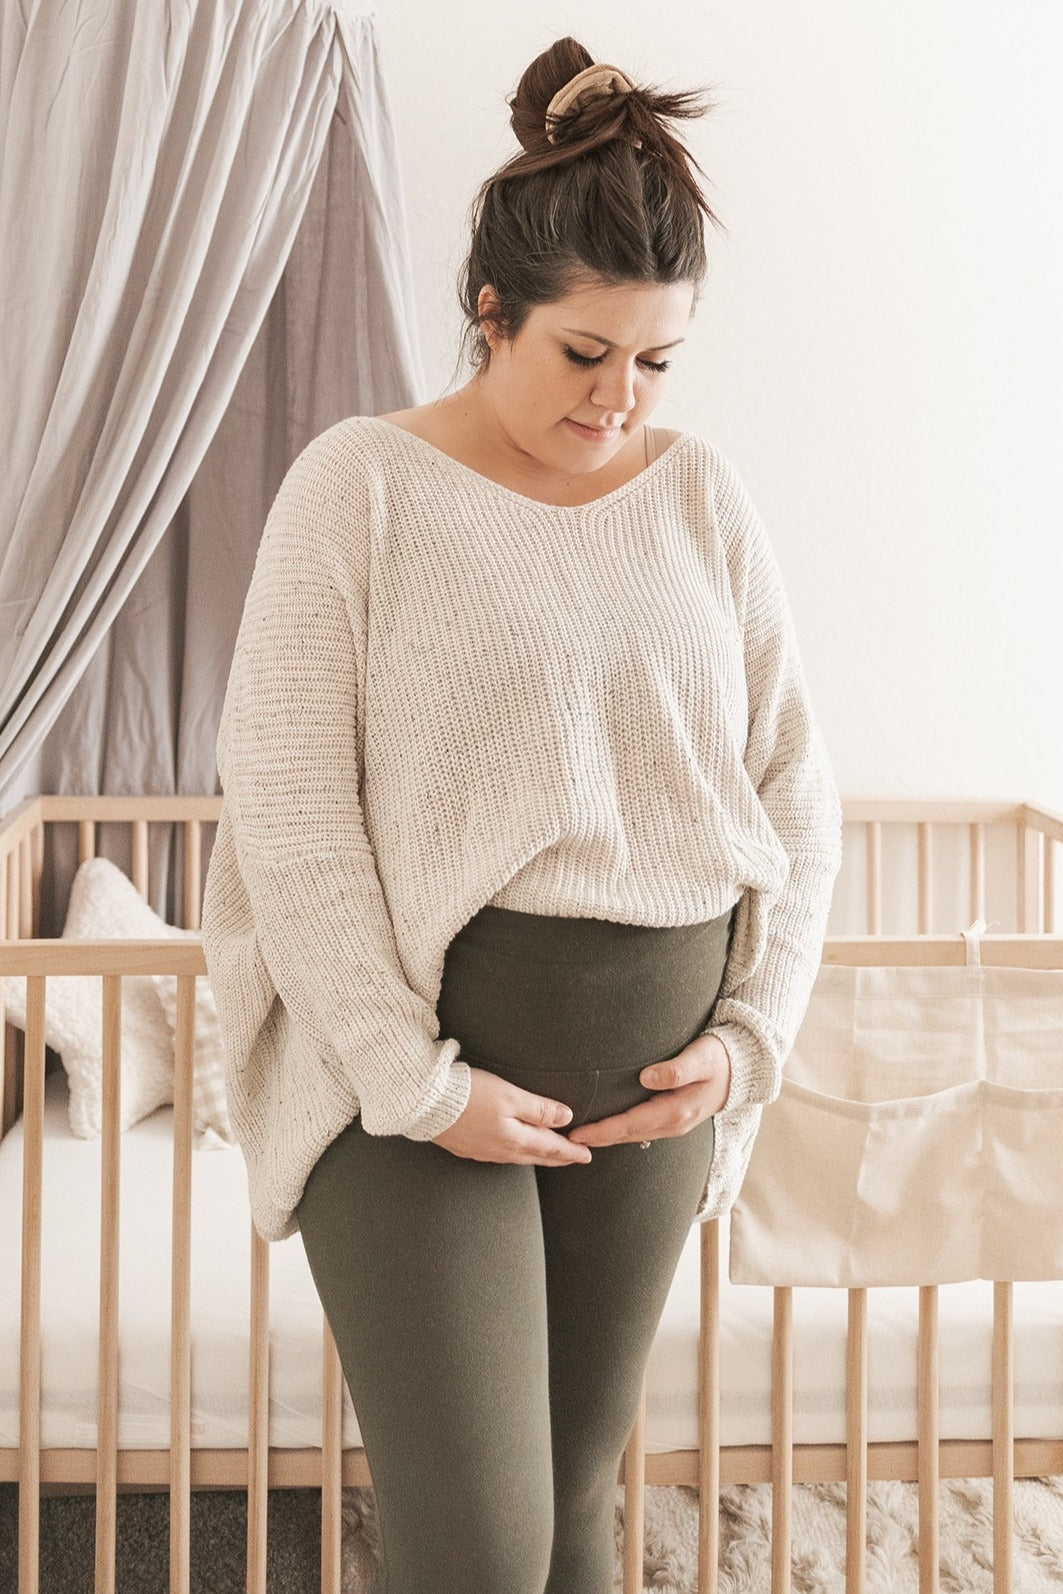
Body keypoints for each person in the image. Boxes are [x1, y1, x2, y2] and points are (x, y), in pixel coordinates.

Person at [200, 35, 842, 1594]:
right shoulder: (358, 488)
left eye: (655, 361)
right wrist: (415, 1086)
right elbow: (290, 814)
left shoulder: (702, 498)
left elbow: (798, 796)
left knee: (568, 1519)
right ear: (491, 315)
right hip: (415, 1077)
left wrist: (746, 1041)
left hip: (649, 1094)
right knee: (479, 1548)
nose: (620, 397)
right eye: (581, 354)